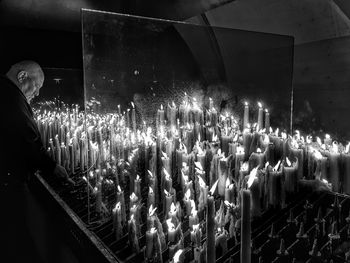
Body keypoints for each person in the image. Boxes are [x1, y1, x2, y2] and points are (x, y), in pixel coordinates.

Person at [0, 60, 73, 262]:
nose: (38, 93)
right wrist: (52, 166)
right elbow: (27, 139)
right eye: (37, 86)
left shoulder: (6, 92)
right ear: (23, 77)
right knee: (16, 239)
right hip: (8, 184)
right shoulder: (11, 99)